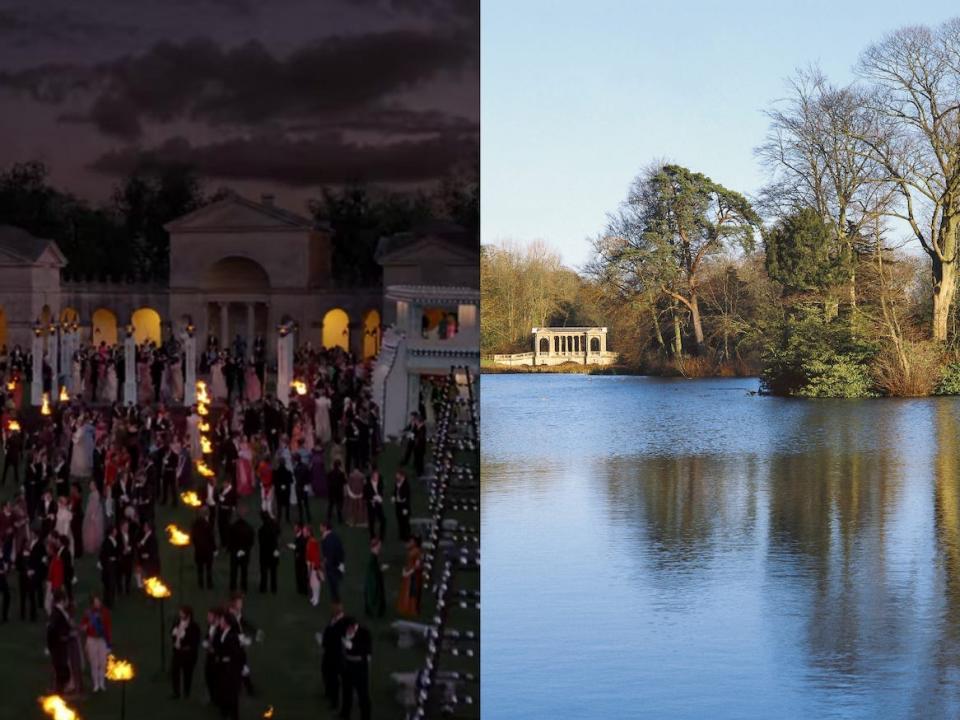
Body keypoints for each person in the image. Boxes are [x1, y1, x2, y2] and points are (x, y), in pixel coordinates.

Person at [339, 618, 372, 720]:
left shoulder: (364, 633)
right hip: (347, 665)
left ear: (354, 626)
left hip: (360, 667)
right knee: (346, 691)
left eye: (349, 629)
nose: (347, 631)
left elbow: (367, 651)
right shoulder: (344, 630)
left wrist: (353, 646)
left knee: (363, 695)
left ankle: (365, 717)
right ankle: (345, 714)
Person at [215, 607, 243, 719]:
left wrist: (225, 659)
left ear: (227, 623)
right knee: (224, 692)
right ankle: (224, 712)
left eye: (221, 620)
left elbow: (236, 654)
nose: (220, 622)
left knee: (231, 694)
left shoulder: (232, 636)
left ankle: (233, 716)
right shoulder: (222, 633)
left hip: (230, 671)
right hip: (223, 669)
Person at [80, 595, 112, 692]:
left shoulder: (105, 613)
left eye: (98, 602)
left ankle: (102, 683)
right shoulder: (88, 613)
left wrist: (109, 644)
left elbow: (108, 628)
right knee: (94, 663)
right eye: (95, 602)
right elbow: (82, 626)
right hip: (92, 640)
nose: (97, 604)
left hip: (102, 640)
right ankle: (96, 684)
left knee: (102, 662)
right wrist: (86, 627)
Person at [321, 603, 348, 709]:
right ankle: (328, 693)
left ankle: (335, 702)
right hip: (329, 652)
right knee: (325, 672)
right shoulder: (334, 620)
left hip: (336, 654)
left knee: (334, 678)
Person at [171, 605, 201, 699]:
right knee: (174, 671)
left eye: (182, 613)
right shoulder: (177, 623)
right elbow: (172, 634)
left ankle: (186, 692)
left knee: (187, 674)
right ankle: (176, 693)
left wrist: (184, 645)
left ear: (188, 615)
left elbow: (194, 642)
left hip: (188, 655)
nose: (180, 614)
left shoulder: (194, 627)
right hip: (177, 653)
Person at [47, 589, 73, 693]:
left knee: (62, 667)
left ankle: (61, 688)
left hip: (59, 645)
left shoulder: (59, 611)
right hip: (58, 646)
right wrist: (62, 636)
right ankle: (60, 690)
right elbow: (52, 629)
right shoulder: (57, 613)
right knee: (61, 667)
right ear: (62, 600)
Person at [227, 512, 254, 593]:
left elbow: (230, 540)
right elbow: (251, 541)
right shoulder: (249, 528)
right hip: (245, 552)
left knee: (234, 570)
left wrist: (230, 549)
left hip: (235, 552)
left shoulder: (233, 527)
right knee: (244, 570)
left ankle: (233, 586)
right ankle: (244, 587)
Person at [396, 536, 423, 618]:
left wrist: (408, 572)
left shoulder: (418, 552)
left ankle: (413, 609)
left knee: (413, 592)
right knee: (407, 591)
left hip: (414, 576)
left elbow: (417, 566)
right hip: (409, 574)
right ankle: (406, 608)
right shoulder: (412, 551)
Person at [191, 507, 216, 590]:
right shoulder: (208, 525)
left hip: (199, 550)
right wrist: (214, 549)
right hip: (208, 551)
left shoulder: (195, 524)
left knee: (200, 568)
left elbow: (193, 537)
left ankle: (200, 584)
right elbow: (211, 538)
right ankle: (209, 584)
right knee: (208, 568)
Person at [321, 521, 345, 603]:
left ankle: (338, 611)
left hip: (332, 568)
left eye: (321, 527)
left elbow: (328, 556)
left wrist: (325, 564)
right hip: (337, 566)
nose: (320, 528)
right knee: (334, 589)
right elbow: (341, 552)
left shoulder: (327, 539)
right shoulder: (335, 537)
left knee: (334, 591)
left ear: (325, 527)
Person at [257, 511, 280, 594]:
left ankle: (263, 588)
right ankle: (274, 588)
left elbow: (261, 543)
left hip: (264, 553)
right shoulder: (275, 526)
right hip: (274, 552)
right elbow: (278, 531)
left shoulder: (261, 530)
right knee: (273, 572)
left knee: (264, 571)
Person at [99, 526, 120, 608]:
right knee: (109, 584)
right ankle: (108, 602)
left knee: (112, 584)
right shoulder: (107, 541)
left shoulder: (114, 540)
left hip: (113, 565)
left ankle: (110, 601)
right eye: (115, 530)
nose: (116, 532)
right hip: (109, 566)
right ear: (111, 532)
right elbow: (104, 554)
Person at [364, 538, 386, 618]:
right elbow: (373, 570)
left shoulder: (374, 556)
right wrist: (380, 569)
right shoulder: (372, 557)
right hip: (374, 580)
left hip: (374, 578)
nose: (380, 547)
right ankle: (375, 611)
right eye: (379, 545)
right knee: (375, 595)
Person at [82, 479, 105, 556]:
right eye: (90, 485)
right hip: (90, 511)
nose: (91, 486)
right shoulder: (91, 493)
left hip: (95, 513)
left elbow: (97, 505)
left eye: (92, 485)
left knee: (93, 530)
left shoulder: (96, 494)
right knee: (89, 529)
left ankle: (93, 546)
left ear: (95, 485)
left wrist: (94, 514)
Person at [364, 470, 385, 539]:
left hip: (378, 505)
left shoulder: (380, 483)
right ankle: (372, 536)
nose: (377, 478)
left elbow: (381, 491)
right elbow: (365, 496)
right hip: (371, 505)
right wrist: (373, 498)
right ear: (372, 477)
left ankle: (382, 536)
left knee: (383, 520)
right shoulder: (367, 485)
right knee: (371, 521)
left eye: (378, 476)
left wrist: (380, 497)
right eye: (376, 476)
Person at [305, 526, 323, 606]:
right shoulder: (309, 541)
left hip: (314, 564)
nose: (304, 533)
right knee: (312, 582)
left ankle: (317, 598)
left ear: (309, 532)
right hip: (311, 563)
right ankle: (314, 597)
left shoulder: (313, 541)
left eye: (305, 531)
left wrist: (315, 565)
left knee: (316, 582)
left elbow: (316, 554)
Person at [393, 470, 411, 542]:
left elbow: (407, 497)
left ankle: (407, 536)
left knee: (405, 521)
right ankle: (401, 535)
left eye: (398, 475)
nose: (396, 477)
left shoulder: (406, 485)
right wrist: (394, 497)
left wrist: (406, 508)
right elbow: (395, 492)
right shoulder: (397, 483)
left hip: (404, 506)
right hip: (398, 505)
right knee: (400, 520)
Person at [328, 459, 347, 525]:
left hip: (332, 491)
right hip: (339, 491)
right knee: (339, 505)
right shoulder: (341, 474)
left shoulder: (330, 472)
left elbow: (328, 480)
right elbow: (345, 482)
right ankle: (339, 519)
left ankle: (329, 516)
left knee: (331, 504)